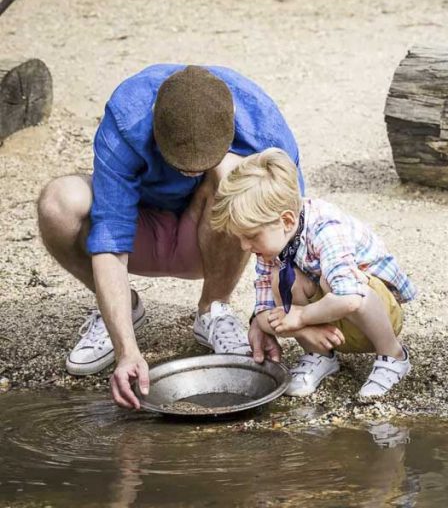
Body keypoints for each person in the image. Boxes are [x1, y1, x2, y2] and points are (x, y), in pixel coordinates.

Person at [36, 64, 303, 409]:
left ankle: (214, 310)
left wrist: (279, 317)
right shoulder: (128, 117)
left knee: (232, 175)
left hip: (213, 232)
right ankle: (119, 309)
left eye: (198, 164)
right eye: (180, 164)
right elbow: (110, 239)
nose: (191, 171)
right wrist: (127, 351)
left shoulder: (262, 125)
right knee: (58, 201)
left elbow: (290, 234)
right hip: (141, 229)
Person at [210, 148, 416, 399]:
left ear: (286, 221)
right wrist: (303, 329)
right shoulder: (270, 248)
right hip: (330, 326)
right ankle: (320, 356)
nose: (244, 247)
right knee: (281, 276)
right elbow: (264, 314)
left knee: (334, 282)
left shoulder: (326, 228)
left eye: (251, 236)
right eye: (240, 238)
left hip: (378, 316)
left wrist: (301, 316)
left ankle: (393, 355)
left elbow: (350, 297)